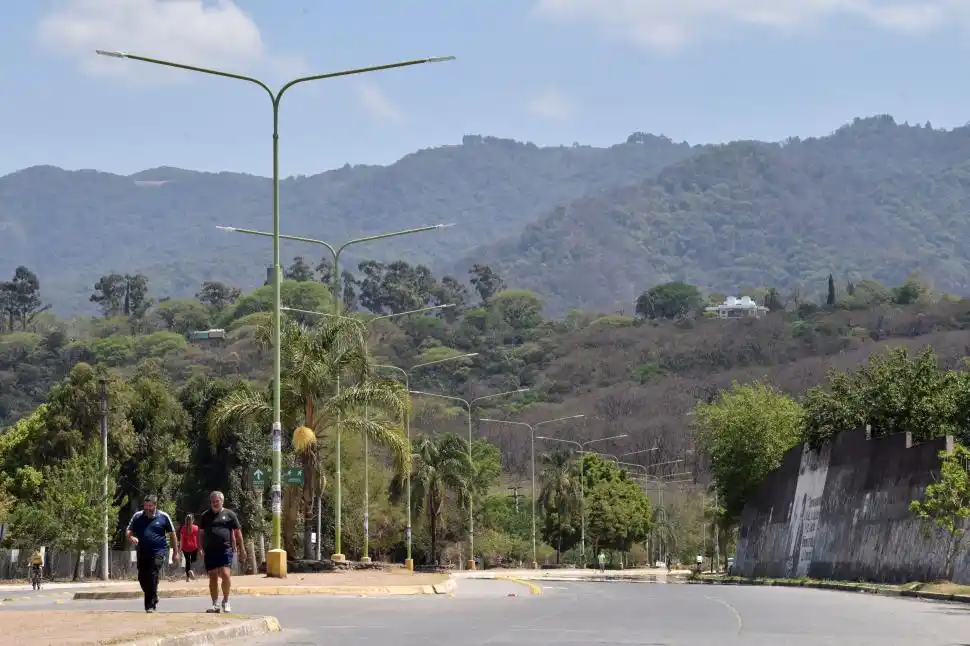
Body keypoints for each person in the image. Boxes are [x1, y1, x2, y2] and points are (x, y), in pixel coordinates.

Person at [126, 494, 178, 613]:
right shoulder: (137, 516)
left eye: (150, 506)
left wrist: (175, 552)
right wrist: (130, 537)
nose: (147, 508)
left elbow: (173, 534)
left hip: (159, 551)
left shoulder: (163, 516)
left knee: (152, 573)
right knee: (142, 578)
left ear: (155, 505)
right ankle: (154, 595)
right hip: (142, 551)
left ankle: (149, 605)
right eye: (146, 505)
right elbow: (128, 530)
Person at [198, 491, 246, 613]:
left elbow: (238, 532)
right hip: (210, 550)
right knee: (213, 576)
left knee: (225, 574)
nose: (215, 503)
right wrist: (200, 548)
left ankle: (226, 600)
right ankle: (215, 603)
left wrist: (242, 549)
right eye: (213, 501)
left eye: (217, 501)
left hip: (225, 549)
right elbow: (201, 533)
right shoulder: (205, 516)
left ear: (222, 501)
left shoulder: (230, 514)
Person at [179, 514, 200, 582]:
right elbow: (198, 538)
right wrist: (200, 548)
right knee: (193, 560)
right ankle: (191, 570)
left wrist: (180, 549)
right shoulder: (196, 528)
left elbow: (181, 540)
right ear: (193, 520)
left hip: (185, 547)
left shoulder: (183, 528)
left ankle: (187, 578)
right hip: (194, 546)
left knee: (187, 562)